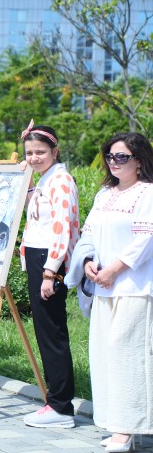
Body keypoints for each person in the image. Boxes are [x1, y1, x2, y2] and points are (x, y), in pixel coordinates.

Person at [77, 132, 153, 452]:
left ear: (139, 160)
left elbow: (145, 240)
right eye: (110, 156)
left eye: (122, 157)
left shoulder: (148, 193)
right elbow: (89, 234)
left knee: (129, 357)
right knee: (105, 355)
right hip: (104, 288)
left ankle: (126, 429)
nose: (114, 162)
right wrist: (87, 264)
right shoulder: (103, 194)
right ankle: (115, 422)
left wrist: (115, 269)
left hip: (135, 288)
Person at [18, 122, 79, 429]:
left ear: (55, 151)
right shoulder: (45, 178)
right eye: (29, 152)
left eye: (40, 151)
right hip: (39, 259)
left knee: (53, 335)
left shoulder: (61, 181)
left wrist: (49, 272)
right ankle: (55, 402)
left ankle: (61, 407)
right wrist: (24, 142)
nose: (33, 157)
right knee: (46, 332)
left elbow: (63, 230)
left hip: (49, 263)